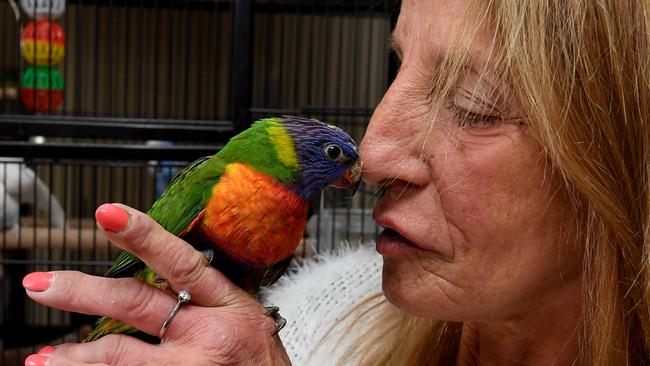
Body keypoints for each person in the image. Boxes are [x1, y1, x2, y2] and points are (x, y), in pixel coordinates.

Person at [21, 0, 650, 364]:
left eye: (473, 102)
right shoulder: (313, 314)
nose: (375, 154)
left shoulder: (295, 239)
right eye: (397, 67)